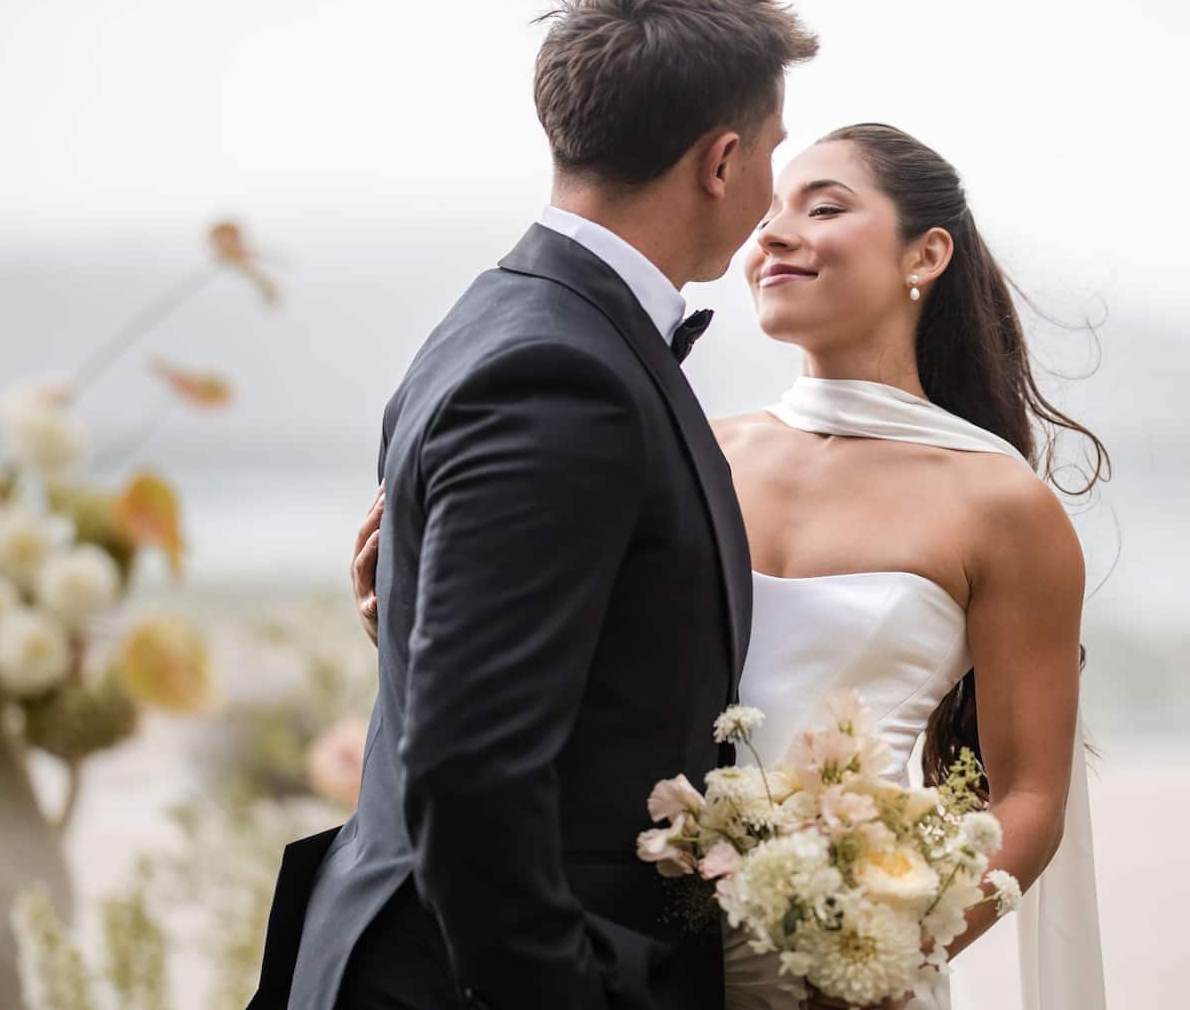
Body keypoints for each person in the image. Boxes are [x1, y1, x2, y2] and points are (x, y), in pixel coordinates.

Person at [349, 123, 1110, 1009]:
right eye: (771, 209)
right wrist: (408, 622)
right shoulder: (690, 452)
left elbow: (1029, 797)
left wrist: (875, 957)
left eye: (823, 208)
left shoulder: (1004, 506)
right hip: (630, 953)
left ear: (927, 253)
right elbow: (565, 678)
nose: (773, 234)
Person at [248, 0, 817, 1010]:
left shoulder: (504, 313)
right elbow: (470, 768)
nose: (772, 186)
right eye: (774, 151)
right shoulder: (562, 374)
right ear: (721, 160)